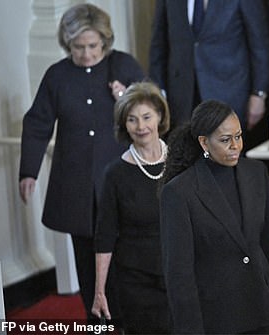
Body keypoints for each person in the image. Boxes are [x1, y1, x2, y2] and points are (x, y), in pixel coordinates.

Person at [18, 3, 145, 323]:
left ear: (105, 41)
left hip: (122, 183)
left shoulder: (124, 65)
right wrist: (28, 171)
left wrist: (127, 99)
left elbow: (153, 113)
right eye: (78, 47)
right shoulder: (57, 76)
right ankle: (99, 325)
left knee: (128, 259)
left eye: (93, 46)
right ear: (67, 44)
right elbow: (37, 124)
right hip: (77, 186)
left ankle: (131, 323)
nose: (87, 54)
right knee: (87, 264)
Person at [159, 100, 269, 334]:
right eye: (225, 140)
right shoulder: (179, 192)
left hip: (263, 309)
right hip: (217, 319)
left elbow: (268, 245)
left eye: (238, 136)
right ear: (204, 142)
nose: (235, 146)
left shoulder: (257, 173)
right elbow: (179, 274)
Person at [91, 82, 170, 334]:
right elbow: (104, 235)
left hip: (180, 275)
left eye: (147, 117)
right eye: (132, 120)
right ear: (124, 125)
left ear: (160, 115)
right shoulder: (115, 174)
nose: (141, 126)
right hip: (135, 280)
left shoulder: (181, 163)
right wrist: (99, 291)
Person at [148, 0, 269, 132]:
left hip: (229, 93)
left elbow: (259, 44)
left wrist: (259, 93)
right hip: (183, 97)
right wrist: (158, 94)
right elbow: (158, 45)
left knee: (228, 149)